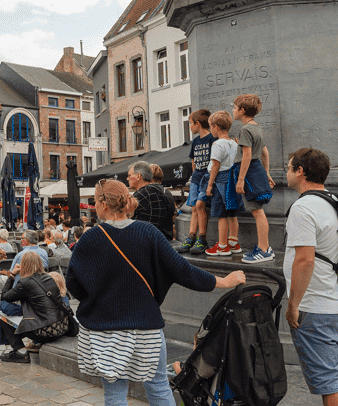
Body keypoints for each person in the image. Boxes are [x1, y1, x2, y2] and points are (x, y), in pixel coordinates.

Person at [68, 179, 244, 406]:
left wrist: (98, 299)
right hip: (146, 329)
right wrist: (223, 281)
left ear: (103, 204)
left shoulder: (90, 238)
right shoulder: (148, 232)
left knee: (115, 396)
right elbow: (183, 270)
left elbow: (73, 283)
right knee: (159, 388)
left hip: (106, 332)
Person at [284, 148, 338, 406]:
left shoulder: (303, 207)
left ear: (301, 171)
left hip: (316, 307)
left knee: (330, 383)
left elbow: (305, 260)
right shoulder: (336, 202)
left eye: (289, 167)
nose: (286, 172)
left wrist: (293, 304)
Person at [0, 250, 74, 362]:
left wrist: (12, 275)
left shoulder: (25, 282)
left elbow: (4, 297)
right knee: (6, 313)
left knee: (2, 311)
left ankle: (20, 350)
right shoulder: (48, 278)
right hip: (60, 327)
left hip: (43, 332)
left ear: (23, 265)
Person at [231, 94, 275, 264]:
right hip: (257, 170)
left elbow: (247, 155)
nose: (233, 111)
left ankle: (264, 250)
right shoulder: (257, 128)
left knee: (257, 212)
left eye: (235, 108)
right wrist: (267, 173)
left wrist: (241, 179)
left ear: (242, 111)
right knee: (258, 211)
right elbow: (265, 153)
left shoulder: (245, 130)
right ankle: (265, 246)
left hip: (249, 173)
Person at [204, 112, 241, 257]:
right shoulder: (234, 143)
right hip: (233, 179)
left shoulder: (217, 144)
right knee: (232, 213)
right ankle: (233, 242)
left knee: (221, 215)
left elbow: (215, 166)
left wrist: (209, 184)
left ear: (216, 127)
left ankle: (222, 246)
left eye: (211, 127)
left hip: (221, 180)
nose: (210, 130)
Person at [181, 109, 214, 255]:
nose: (190, 126)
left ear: (198, 123)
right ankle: (191, 237)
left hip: (206, 178)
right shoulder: (195, 141)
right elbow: (193, 161)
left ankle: (202, 238)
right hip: (196, 178)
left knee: (200, 206)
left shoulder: (212, 139)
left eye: (190, 123)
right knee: (194, 207)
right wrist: (195, 175)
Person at [127, 161, 174, 243]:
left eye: (129, 175)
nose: (127, 178)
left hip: (145, 243)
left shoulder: (142, 194)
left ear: (138, 176)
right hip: (165, 241)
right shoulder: (166, 192)